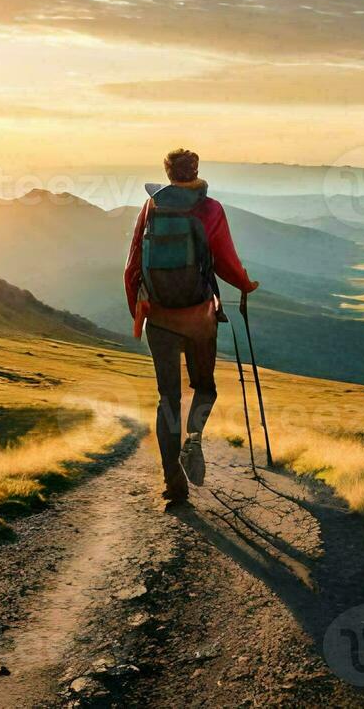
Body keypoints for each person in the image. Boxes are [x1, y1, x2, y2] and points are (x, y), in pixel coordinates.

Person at [124, 149, 258, 505]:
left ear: (167, 173)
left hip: (160, 319)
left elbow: (132, 266)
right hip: (199, 318)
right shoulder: (210, 208)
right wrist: (245, 286)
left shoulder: (152, 207)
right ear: (196, 171)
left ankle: (174, 485)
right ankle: (193, 438)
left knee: (167, 400)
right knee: (205, 388)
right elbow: (227, 262)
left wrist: (140, 312)